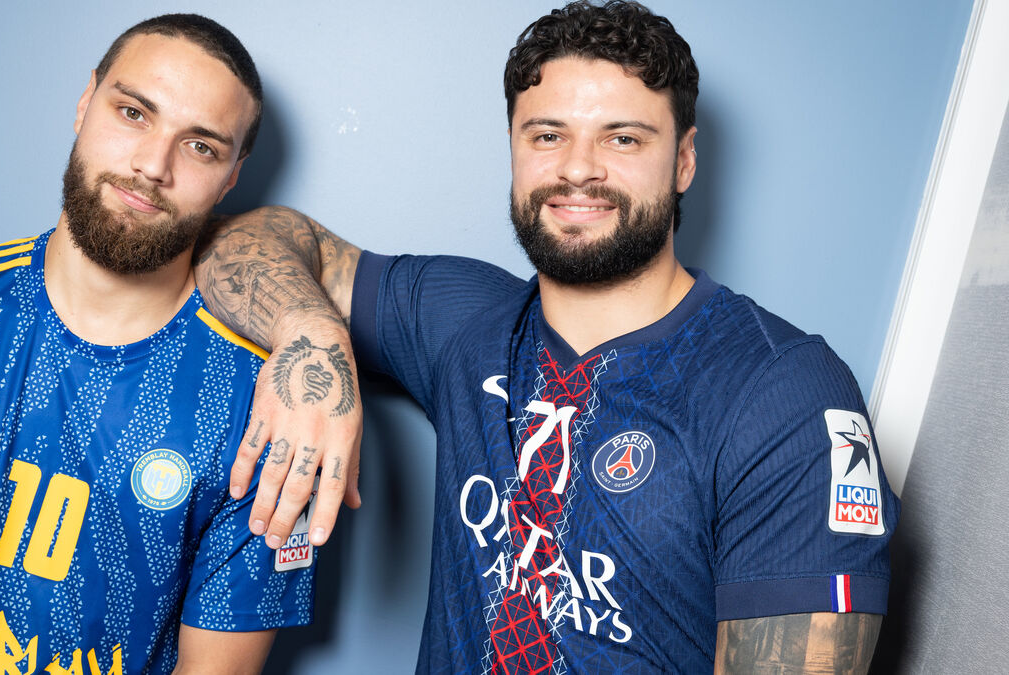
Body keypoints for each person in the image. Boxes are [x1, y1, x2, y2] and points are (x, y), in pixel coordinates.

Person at [196, 1, 898, 671]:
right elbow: (244, 239)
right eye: (548, 135)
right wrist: (312, 333)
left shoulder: (783, 393)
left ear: (684, 160)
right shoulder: (465, 323)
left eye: (623, 138)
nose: (577, 168)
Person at [0, 14, 316, 674]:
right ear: (85, 103)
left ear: (232, 177)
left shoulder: (262, 410)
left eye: (200, 147)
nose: (151, 166)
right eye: (133, 113)